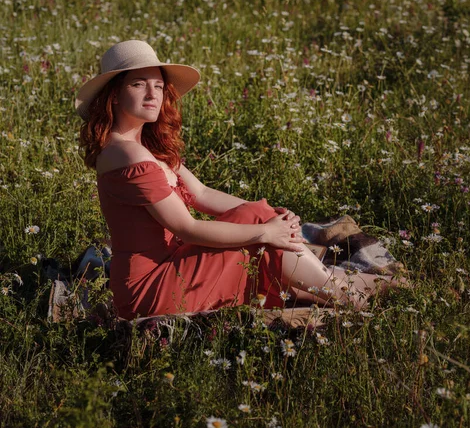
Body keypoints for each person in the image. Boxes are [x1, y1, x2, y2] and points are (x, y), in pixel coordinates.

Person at [76, 40, 395, 320]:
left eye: (158, 86)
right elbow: (188, 228)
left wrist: (275, 217)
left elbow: (201, 193)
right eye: (138, 85)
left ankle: (341, 287)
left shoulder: (143, 149)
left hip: (174, 266)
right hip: (151, 289)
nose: (152, 94)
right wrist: (265, 229)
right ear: (114, 95)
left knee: (262, 224)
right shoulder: (125, 155)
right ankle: (343, 293)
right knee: (262, 233)